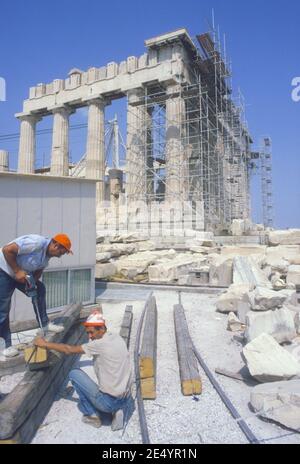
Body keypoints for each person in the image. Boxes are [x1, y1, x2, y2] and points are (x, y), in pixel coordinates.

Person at [34, 311, 133, 431]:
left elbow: (68, 349)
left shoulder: (99, 344)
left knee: (74, 374)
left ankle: (93, 415)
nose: (89, 336)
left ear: (101, 328)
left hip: (110, 402)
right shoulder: (117, 338)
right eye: (88, 333)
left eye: (91, 332)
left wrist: (44, 344)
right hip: (126, 398)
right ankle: (117, 410)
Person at [0, 233, 73, 357]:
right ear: (56, 245)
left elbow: (38, 272)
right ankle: (5, 346)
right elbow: (7, 250)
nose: (61, 256)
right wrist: (17, 271)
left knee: (39, 289)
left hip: (17, 274)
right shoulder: (36, 243)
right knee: (3, 308)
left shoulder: (47, 256)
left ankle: (44, 325)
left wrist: (31, 283)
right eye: (62, 252)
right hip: (4, 271)